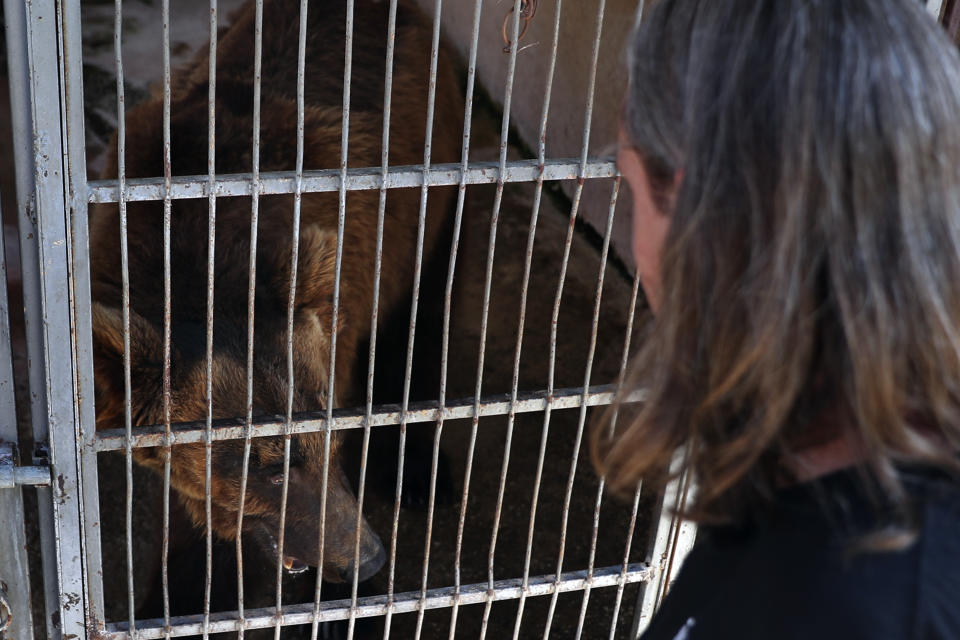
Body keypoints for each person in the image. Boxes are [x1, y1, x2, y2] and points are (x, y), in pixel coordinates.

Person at [594, 1, 960, 638]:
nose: (634, 247)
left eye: (630, 190)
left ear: (697, 214)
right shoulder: (821, 470)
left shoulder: (846, 606)